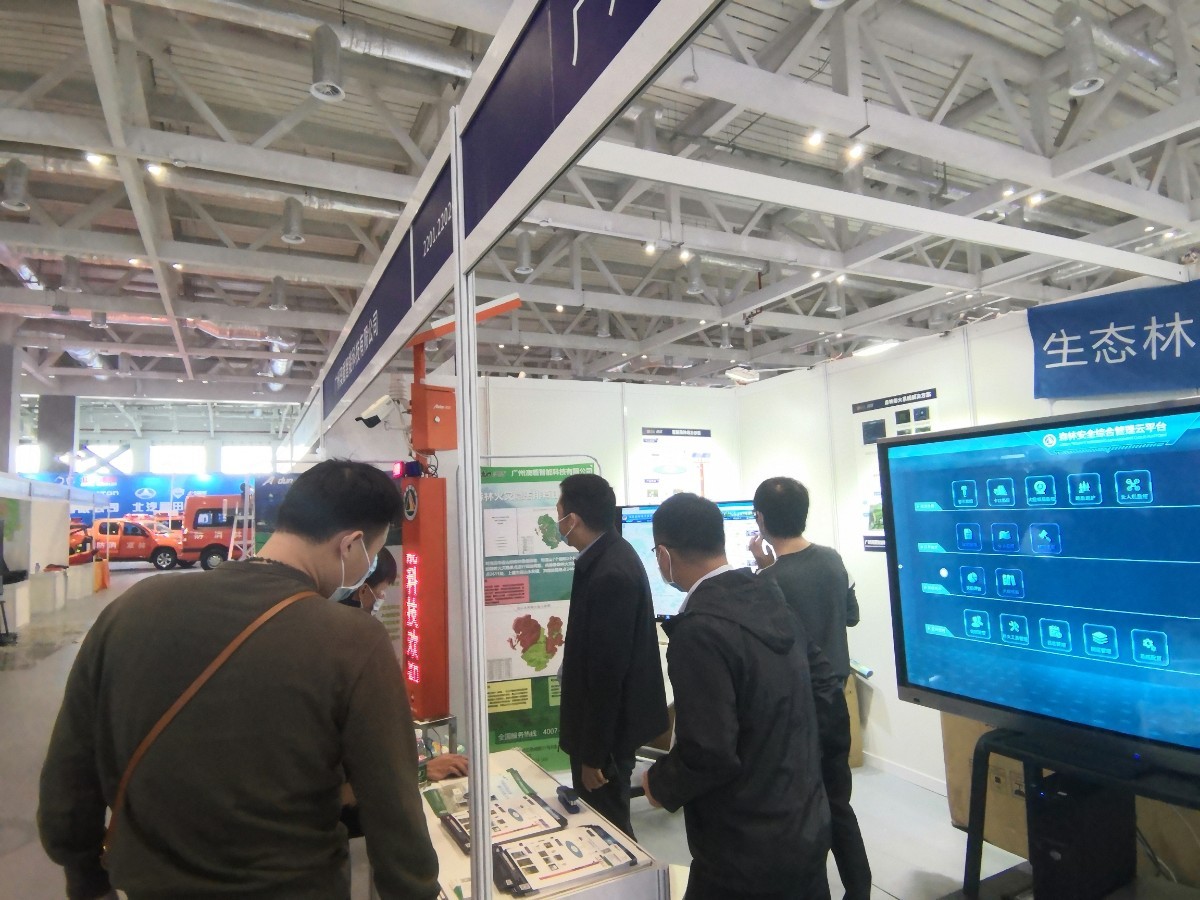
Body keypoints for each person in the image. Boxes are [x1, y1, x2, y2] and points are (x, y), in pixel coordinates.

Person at [39, 460, 439, 900]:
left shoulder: (133, 607)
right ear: (351, 544)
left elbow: (72, 764)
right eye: (372, 555)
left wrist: (84, 875)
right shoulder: (353, 640)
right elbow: (390, 799)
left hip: (147, 884)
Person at [642, 493, 849, 900]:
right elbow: (826, 690)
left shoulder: (698, 630)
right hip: (803, 823)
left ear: (664, 555)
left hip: (742, 847)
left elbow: (709, 751)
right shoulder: (770, 598)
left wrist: (659, 784)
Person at [752, 476, 871, 900]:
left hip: (796, 709)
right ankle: (859, 890)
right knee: (838, 802)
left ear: (760, 519)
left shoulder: (768, 581)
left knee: (796, 808)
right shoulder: (833, 560)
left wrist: (764, 571)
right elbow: (851, 616)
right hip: (835, 699)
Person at [556, 473, 668, 839]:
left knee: (608, 830)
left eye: (559, 511)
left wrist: (593, 756)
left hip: (607, 739)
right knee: (604, 822)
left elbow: (607, 676)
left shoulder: (610, 573)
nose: (557, 520)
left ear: (573, 519)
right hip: (605, 732)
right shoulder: (606, 556)